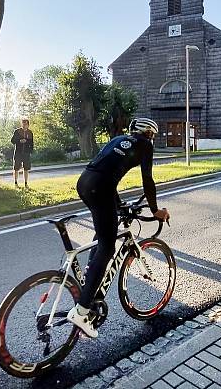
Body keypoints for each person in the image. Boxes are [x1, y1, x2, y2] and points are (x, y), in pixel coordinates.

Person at [67, 117, 170, 338]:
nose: (152, 138)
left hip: (85, 182)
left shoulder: (118, 139)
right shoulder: (145, 145)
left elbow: (106, 171)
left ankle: (91, 271)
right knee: (108, 247)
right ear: (150, 134)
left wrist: (119, 204)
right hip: (101, 187)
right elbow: (147, 180)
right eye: (153, 135)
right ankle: (82, 312)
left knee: (104, 230)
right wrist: (155, 210)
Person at [11, 119, 34, 188]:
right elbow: (12, 141)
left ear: (28, 125)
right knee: (16, 168)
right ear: (21, 124)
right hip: (18, 152)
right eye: (23, 124)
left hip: (26, 153)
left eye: (26, 124)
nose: (24, 125)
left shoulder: (30, 132)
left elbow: (31, 143)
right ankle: (15, 183)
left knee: (26, 168)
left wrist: (30, 151)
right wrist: (19, 141)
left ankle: (26, 183)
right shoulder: (17, 131)